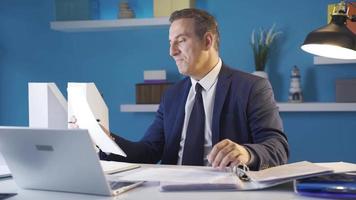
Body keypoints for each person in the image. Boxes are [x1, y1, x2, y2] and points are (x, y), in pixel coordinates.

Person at [100, 8, 289, 171]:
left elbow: (278, 148)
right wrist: (104, 140)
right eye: (170, 42)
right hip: (171, 192)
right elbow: (148, 151)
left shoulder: (251, 87)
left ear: (207, 41)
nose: (172, 51)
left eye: (180, 41)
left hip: (225, 192)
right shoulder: (171, 96)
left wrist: (247, 153)